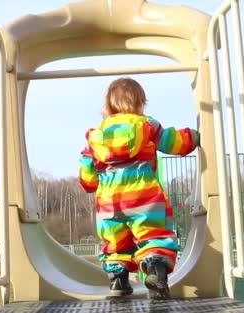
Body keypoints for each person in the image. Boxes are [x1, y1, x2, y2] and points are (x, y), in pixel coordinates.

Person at [78, 78, 200, 299]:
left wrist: (90, 184)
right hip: (143, 196)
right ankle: (155, 271)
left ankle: (118, 282)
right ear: (141, 103)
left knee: (116, 241)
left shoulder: (95, 137)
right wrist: (193, 137)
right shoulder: (147, 126)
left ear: (108, 106)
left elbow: (87, 171)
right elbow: (173, 141)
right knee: (153, 235)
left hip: (109, 201)